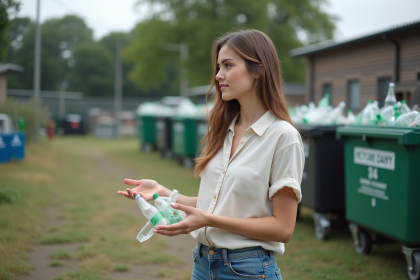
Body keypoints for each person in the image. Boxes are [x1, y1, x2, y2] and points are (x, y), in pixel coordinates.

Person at [117, 29, 304, 280]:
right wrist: (165, 193)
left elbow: (282, 228)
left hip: (248, 270)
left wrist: (208, 220)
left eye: (228, 65)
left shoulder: (284, 137)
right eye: (218, 67)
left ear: (258, 70)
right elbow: (223, 202)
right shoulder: (223, 129)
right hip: (203, 263)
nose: (218, 75)